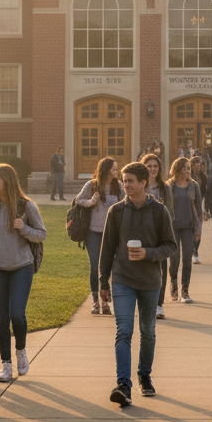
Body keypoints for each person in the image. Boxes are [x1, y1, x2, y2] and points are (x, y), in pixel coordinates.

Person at [99, 161, 177, 404]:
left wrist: (148, 254)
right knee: (124, 331)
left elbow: (170, 246)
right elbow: (107, 248)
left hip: (150, 281)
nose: (126, 185)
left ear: (144, 183)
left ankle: (144, 375)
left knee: (148, 332)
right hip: (122, 278)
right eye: (124, 180)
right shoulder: (117, 211)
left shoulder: (159, 211)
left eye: (130, 181)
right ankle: (123, 385)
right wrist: (103, 282)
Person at [0, 163, 47, 382]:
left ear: (7, 179)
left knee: (17, 314)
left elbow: (41, 234)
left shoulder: (26, 206)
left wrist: (24, 228)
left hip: (21, 267)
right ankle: (6, 365)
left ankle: (21, 352)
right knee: (1, 318)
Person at [76, 157, 122, 315]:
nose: (116, 170)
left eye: (117, 168)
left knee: (111, 268)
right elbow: (78, 200)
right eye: (113, 168)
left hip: (112, 234)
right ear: (106, 169)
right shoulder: (92, 184)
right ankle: (96, 301)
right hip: (94, 232)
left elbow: (126, 203)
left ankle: (106, 301)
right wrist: (91, 201)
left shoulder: (118, 186)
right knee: (96, 267)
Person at [142, 152, 174, 320]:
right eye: (149, 166)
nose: (153, 169)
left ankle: (158, 304)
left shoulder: (164, 188)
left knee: (161, 270)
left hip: (159, 235)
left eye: (155, 166)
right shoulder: (140, 185)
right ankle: (145, 303)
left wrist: (167, 235)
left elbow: (170, 213)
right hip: (141, 234)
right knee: (142, 270)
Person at [166, 157, 202, 303]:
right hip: (173, 227)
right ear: (178, 169)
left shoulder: (194, 186)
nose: (188, 170)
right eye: (185, 167)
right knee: (174, 259)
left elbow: (199, 209)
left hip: (188, 227)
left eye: (189, 167)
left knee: (187, 259)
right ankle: (173, 285)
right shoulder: (169, 186)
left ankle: (185, 290)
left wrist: (198, 229)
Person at [189, 155, 210, 263]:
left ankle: (195, 252)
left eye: (199, 163)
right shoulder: (187, 176)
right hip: (187, 207)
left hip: (198, 205)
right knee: (188, 230)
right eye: (195, 163)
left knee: (198, 229)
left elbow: (206, 194)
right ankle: (190, 251)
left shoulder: (204, 177)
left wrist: (206, 209)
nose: (197, 165)